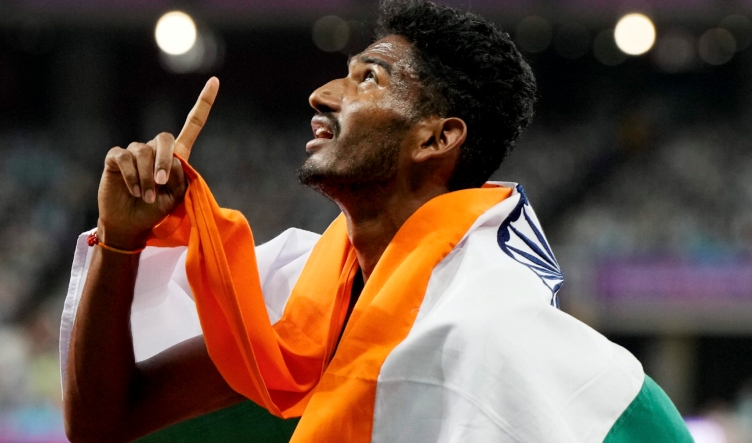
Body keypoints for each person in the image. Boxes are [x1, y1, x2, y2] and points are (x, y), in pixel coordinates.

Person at [60, 1, 693, 442]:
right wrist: (122, 242)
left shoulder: (483, 332)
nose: (323, 94)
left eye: (369, 78)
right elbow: (102, 425)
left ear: (436, 138)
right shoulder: (310, 298)